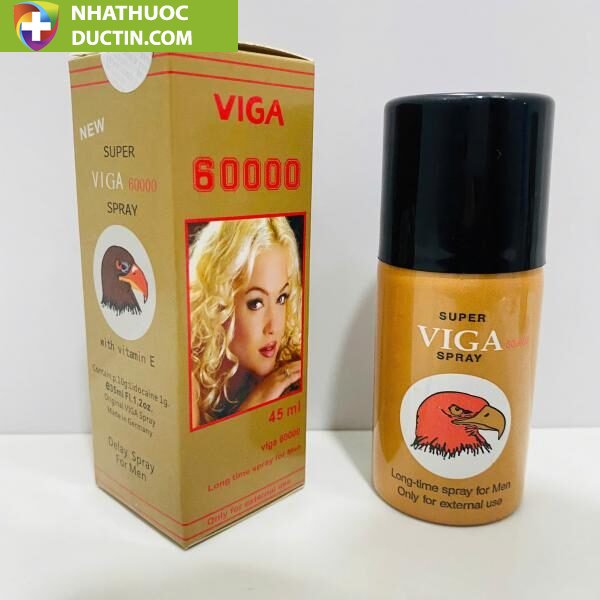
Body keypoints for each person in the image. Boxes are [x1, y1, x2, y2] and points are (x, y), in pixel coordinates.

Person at [189, 217, 303, 427]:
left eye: (281, 298)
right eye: (256, 303)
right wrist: (257, 402)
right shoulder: (186, 379)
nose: (274, 327)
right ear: (218, 304)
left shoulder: (290, 363)